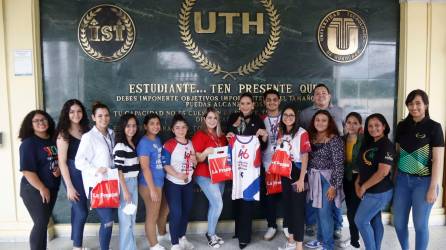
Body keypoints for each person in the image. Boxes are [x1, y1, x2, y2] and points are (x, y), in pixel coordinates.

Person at [393, 89, 444, 250]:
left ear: (426, 105)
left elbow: (438, 160)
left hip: (424, 182)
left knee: (420, 225)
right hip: (402, 180)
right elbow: (398, 153)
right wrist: (394, 179)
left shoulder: (434, 127)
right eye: (410, 103)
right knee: (399, 224)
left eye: (418, 103)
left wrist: (433, 187)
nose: (413, 107)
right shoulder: (402, 126)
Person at [299, 84, 344, 238]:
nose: (321, 96)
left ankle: (337, 226)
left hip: (333, 165)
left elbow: (349, 131)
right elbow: (302, 137)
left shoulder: (340, 111)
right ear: (313, 97)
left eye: (324, 93)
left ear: (329, 95)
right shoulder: (305, 114)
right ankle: (311, 225)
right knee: (312, 197)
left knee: (334, 198)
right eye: (317, 93)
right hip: (313, 165)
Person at [226, 92, 268, 249]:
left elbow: (262, 146)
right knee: (236, 199)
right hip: (236, 167)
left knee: (247, 201)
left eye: (248, 103)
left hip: (251, 168)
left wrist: (264, 137)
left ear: (253, 105)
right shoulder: (232, 118)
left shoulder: (258, 120)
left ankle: (244, 237)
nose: (245, 106)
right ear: (239, 104)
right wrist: (230, 133)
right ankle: (238, 231)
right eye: (242, 103)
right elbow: (228, 139)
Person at [75, 102, 116, 250]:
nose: (103, 118)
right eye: (100, 116)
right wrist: (95, 170)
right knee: (107, 219)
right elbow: (79, 162)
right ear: (93, 117)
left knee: (110, 220)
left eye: (106, 115)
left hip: (111, 183)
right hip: (97, 185)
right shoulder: (89, 137)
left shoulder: (112, 134)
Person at [19, 110, 60, 250]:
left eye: (43, 119)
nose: (41, 123)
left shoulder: (53, 139)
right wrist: (42, 188)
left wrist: (59, 167)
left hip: (52, 187)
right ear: (30, 125)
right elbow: (27, 170)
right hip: (34, 189)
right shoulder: (28, 143)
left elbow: (58, 159)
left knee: (42, 223)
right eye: (36, 121)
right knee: (41, 222)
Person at [305, 110, 344, 250]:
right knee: (318, 211)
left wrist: (334, 186)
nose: (320, 123)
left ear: (329, 123)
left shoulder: (334, 139)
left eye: (324, 120)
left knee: (324, 213)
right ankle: (320, 240)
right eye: (317, 120)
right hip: (314, 178)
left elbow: (339, 165)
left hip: (328, 180)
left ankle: (328, 245)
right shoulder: (312, 137)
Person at [354, 113, 394, 250]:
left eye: (377, 125)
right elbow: (363, 166)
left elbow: (383, 172)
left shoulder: (386, 145)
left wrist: (363, 187)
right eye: (370, 126)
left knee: (360, 221)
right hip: (369, 189)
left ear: (384, 127)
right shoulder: (369, 142)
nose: (373, 128)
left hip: (379, 191)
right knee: (375, 220)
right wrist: (357, 182)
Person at [56, 99, 90, 250]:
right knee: (81, 211)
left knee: (78, 210)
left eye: (79, 111)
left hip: (86, 174)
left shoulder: (86, 130)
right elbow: (62, 162)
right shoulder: (63, 134)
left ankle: (76, 241)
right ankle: (77, 246)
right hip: (72, 174)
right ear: (66, 114)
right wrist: (69, 186)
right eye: (72, 112)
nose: (76, 114)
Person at [192, 107, 227, 248]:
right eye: (209, 118)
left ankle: (212, 232)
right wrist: (206, 152)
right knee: (218, 204)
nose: (212, 120)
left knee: (215, 205)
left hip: (220, 174)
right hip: (204, 175)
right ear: (204, 119)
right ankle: (211, 235)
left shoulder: (221, 136)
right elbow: (196, 158)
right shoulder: (199, 135)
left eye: (215, 118)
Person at [277, 106, 311, 250]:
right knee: (288, 207)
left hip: (298, 173)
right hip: (286, 172)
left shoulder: (302, 133)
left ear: (296, 117)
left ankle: (299, 246)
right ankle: (290, 241)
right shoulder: (282, 132)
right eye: (285, 114)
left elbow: (305, 156)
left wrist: (302, 179)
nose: (288, 117)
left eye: (291, 115)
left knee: (297, 210)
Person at [162, 114, 197, 250]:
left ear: (187, 128)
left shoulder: (191, 143)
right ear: (172, 129)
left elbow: (193, 161)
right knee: (176, 212)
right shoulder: (169, 144)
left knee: (186, 211)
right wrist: (177, 174)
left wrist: (194, 162)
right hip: (173, 184)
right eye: (177, 127)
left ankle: (182, 238)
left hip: (187, 183)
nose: (181, 130)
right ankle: (174, 243)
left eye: (183, 127)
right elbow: (165, 164)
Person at [137, 113, 169, 250]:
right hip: (149, 184)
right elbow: (145, 167)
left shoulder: (157, 139)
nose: (156, 126)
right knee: (152, 215)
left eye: (157, 123)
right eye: (152, 124)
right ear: (145, 126)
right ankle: (153, 245)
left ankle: (162, 233)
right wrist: (152, 189)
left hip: (160, 182)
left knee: (165, 209)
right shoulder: (144, 143)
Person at [261, 89, 288, 240]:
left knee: (286, 196)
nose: (272, 102)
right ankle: (271, 225)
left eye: (274, 99)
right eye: (268, 99)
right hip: (267, 163)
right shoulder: (261, 119)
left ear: (279, 101)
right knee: (270, 197)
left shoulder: (287, 117)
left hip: (284, 162)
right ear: (264, 102)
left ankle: (286, 225)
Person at [113, 113, 141, 250]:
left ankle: (131, 247)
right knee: (126, 221)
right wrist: (125, 191)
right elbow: (119, 170)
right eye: (128, 126)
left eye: (134, 125)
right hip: (126, 183)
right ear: (123, 127)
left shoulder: (133, 143)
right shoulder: (120, 146)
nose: (132, 129)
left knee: (131, 219)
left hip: (134, 182)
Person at [342, 112, 363, 249]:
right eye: (349, 122)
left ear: (360, 125)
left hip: (360, 178)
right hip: (346, 178)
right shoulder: (341, 139)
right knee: (350, 210)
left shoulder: (365, 140)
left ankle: (356, 240)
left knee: (356, 211)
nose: (351, 125)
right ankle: (354, 237)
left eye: (355, 123)